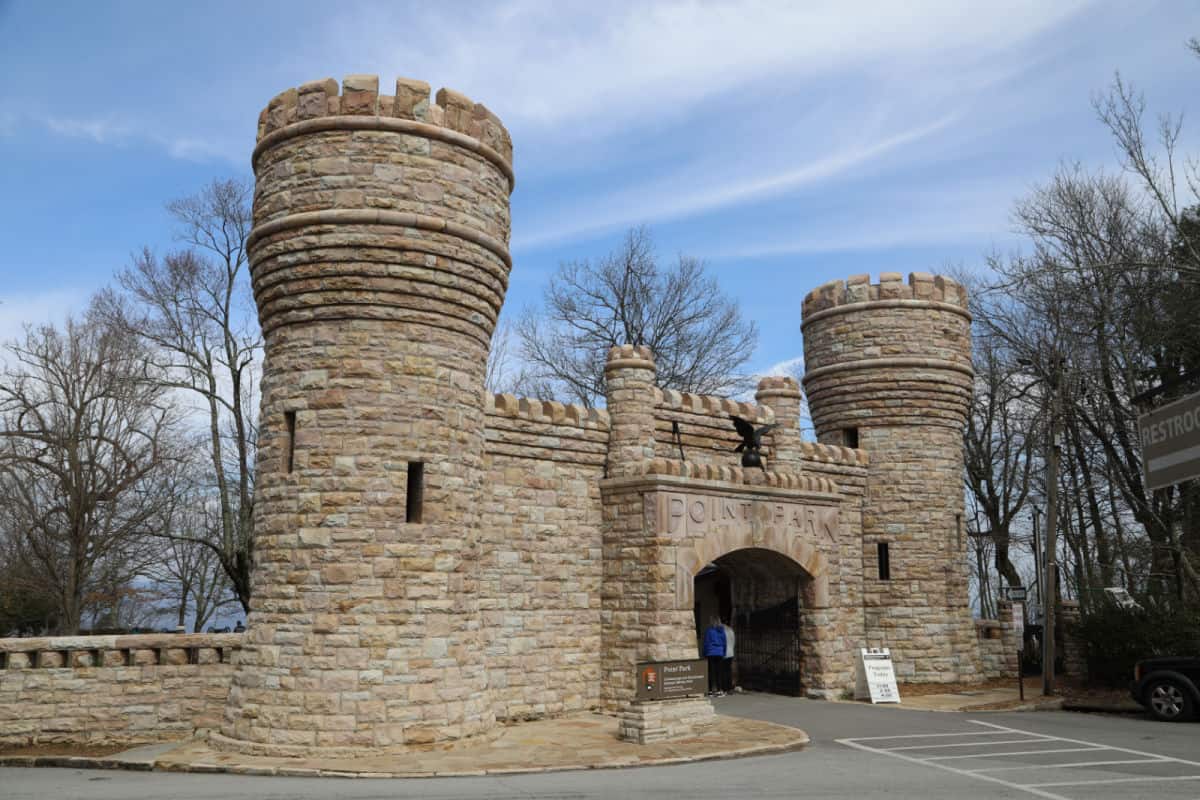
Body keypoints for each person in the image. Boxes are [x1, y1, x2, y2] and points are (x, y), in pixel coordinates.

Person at [701, 615, 726, 696]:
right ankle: (719, 690)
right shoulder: (722, 631)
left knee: (711, 672)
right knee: (719, 672)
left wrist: (704, 652)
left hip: (711, 653)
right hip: (719, 653)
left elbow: (706, 643)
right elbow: (725, 643)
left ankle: (711, 690)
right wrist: (724, 652)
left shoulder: (709, 631)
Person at [720, 619, 736, 693]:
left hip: (724, 653)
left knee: (723, 671)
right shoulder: (731, 630)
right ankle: (729, 687)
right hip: (731, 652)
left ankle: (724, 688)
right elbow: (733, 641)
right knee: (728, 671)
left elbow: (722, 642)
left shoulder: (721, 630)